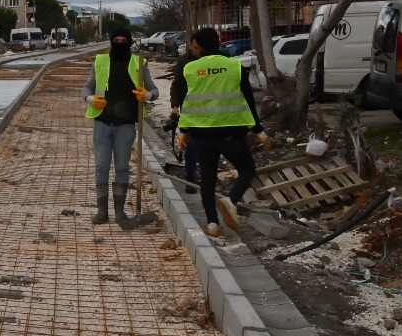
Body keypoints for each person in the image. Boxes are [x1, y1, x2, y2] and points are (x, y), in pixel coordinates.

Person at [175, 27, 269, 237]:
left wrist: (183, 131)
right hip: (230, 134)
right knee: (247, 170)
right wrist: (259, 130)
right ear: (217, 44)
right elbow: (248, 100)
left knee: (207, 179)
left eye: (193, 45)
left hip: (201, 135)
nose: (192, 48)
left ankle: (212, 225)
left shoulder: (190, 69)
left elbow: (187, 103)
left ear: (198, 45)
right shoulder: (234, 67)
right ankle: (231, 199)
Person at [83, 28, 157, 228]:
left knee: (123, 167)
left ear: (130, 42)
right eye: (116, 39)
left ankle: (119, 212)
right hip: (102, 123)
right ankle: (102, 211)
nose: (120, 42)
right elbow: (87, 88)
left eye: (123, 40)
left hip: (126, 125)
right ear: (111, 41)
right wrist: (91, 99)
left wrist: (147, 95)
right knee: (101, 166)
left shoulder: (139, 63)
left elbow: (154, 90)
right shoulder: (100, 61)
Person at [167, 41, 201, 185]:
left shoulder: (217, 62)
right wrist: (175, 107)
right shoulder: (184, 61)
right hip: (189, 113)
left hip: (212, 115)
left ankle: (201, 176)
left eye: (197, 47)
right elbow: (176, 85)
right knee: (190, 147)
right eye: (193, 46)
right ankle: (191, 179)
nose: (194, 50)